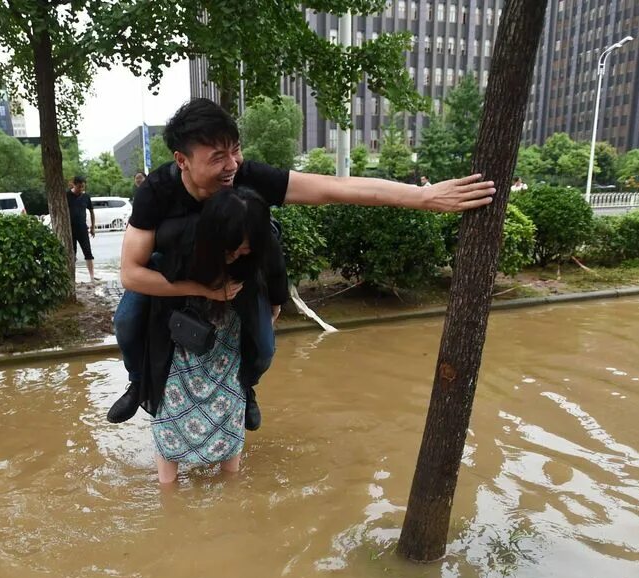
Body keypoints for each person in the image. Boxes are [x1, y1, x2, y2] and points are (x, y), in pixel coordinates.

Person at [108, 98, 495, 432]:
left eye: (235, 150)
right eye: (218, 157)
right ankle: (138, 381)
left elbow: (335, 188)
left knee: (263, 349)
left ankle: (246, 387)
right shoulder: (156, 192)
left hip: (239, 272)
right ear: (182, 161)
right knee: (126, 321)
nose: (232, 164)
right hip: (176, 270)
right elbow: (131, 272)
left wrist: (424, 196)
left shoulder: (247, 177)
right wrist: (202, 291)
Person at [149, 187, 276, 483]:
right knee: (169, 415)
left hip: (229, 345)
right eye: (231, 247)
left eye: (244, 248)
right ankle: (166, 491)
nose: (236, 254)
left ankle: (232, 484)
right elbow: (148, 281)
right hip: (181, 344)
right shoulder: (179, 240)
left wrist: (275, 303)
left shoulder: (258, 247)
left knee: (232, 405)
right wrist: (206, 291)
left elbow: (274, 277)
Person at [67, 175, 97, 283]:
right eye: (79, 186)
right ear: (73, 184)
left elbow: (91, 211)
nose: (81, 189)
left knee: (88, 252)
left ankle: (92, 277)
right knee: (72, 254)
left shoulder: (86, 197)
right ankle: (72, 279)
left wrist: (93, 227)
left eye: (83, 187)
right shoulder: (66, 195)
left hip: (82, 228)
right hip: (69, 230)